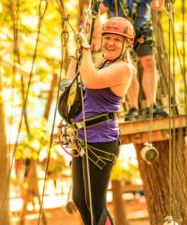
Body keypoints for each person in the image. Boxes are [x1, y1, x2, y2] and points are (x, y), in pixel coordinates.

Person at [65, 17, 134, 225]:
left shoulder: (124, 68)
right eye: (107, 38)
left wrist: (86, 49)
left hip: (101, 140)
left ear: (126, 44)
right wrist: (75, 58)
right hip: (82, 137)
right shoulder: (99, 64)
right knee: (80, 199)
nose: (111, 43)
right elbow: (70, 85)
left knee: (95, 203)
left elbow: (90, 80)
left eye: (117, 40)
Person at [101, 0, 168, 121]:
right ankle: (133, 108)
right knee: (129, 67)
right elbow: (101, 9)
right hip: (122, 33)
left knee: (149, 62)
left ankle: (152, 105)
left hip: (143, 31)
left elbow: (156, 5)